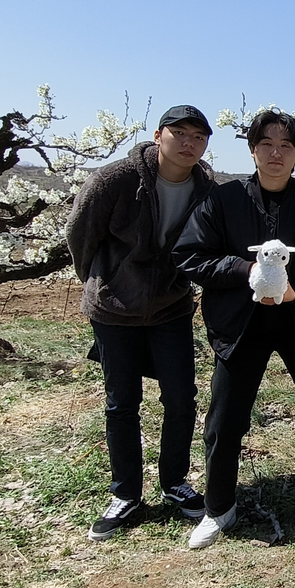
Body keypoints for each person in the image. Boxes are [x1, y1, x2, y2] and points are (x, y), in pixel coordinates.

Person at [172, 109, 295, 549]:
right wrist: (245, 270)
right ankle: (218, 508)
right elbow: (190, 255)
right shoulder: (223, 201)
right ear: (252, 149)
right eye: (267, 144)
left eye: (286, 146)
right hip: (239, 325)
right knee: (224, 421)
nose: (276, 153)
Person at [65, 105, 215, 541]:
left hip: (171, 308)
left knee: (182, 399)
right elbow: (81, 234)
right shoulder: (116, 180)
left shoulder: (205, 186)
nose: (189, 143)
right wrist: (103, 282)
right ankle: (125, 493)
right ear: (158, 135)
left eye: (198, 136)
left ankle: (175, 483)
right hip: (114, 309)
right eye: (180, 133)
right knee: (121, 403)